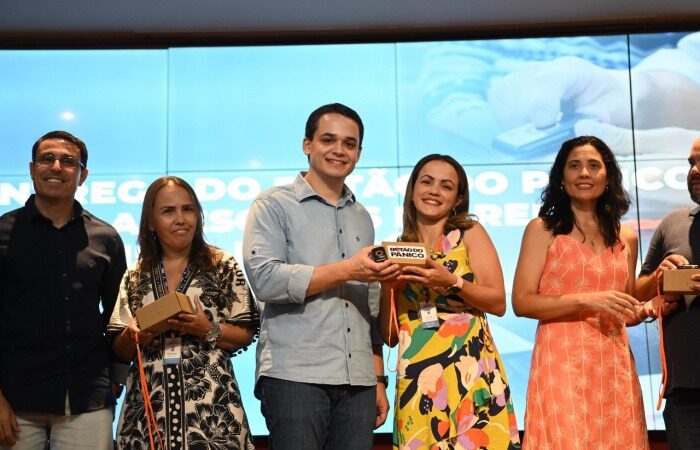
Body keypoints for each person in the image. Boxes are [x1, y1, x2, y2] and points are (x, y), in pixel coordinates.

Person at [242, 103, 400, 450]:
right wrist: (347, 270)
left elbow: (368, 305)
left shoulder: (363, 216)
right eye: (328, 140)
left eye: (349, 143)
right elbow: (265, 279)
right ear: (307, 145)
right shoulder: (272, 205)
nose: (339, 150)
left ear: (359, 152)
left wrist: (377, 379)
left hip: (358, 380)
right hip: (295, 376)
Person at [511, 135, 652, 449]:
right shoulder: (542, 230)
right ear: (561, 178)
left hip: (613, 364)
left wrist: (647, 305)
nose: (584, 173)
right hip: (560, 362)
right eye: (574, 166)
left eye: (593, 166)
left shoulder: (625, 237)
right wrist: (586, 299)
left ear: (608, 176)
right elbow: (521, 302)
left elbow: (626, 310)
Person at [379, 154, 521, 449]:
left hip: (469, 374)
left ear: (457, 198)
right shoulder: (400, 247)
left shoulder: (469, 233)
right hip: (417, 383)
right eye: (426, 182)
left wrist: (451, 282)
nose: (434, 191)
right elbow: (390, 336)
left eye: (446, 186)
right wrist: (387, 286)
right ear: (412, 189)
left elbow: (497, 302)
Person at [108, 176, 259, 449]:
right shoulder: (135, 275)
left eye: (188, 209)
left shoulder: (222, 265)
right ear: (151, 222)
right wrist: (136, 334)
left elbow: (246, 332)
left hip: (213, 412)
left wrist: (206, 329)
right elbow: (121, 348)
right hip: (147, 413)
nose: (181, 219)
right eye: (168, 211)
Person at [0, 131, 127, 449]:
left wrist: (115, 380)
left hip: (87, 400)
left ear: (82, 175)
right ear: (32, 170)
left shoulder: (106, 238)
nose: (56, 167)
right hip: (14, 401)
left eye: (68, 161)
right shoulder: (2, 233)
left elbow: (118, 317)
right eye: (47, 159)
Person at [636, 137, 700, 449]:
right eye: (691, 163)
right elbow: (636, 292)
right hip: (684, 390)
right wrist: (658, 281)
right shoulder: (673, 223)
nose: (695, 170)